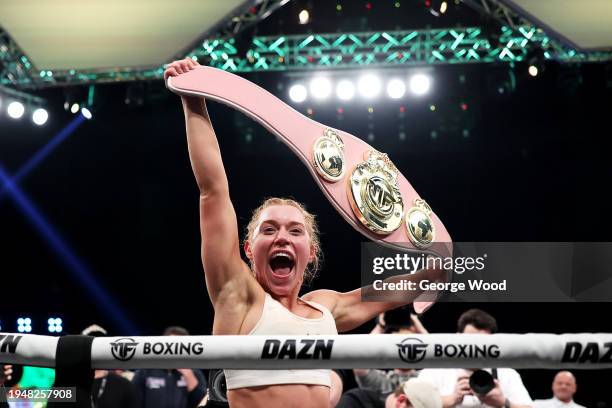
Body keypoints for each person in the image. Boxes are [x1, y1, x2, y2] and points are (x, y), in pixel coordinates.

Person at [163, 58, 444, 408]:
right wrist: (194, 100)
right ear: (249, 248)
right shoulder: (238, 296)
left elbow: (391, 292)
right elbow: (212, 191)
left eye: (295, 230)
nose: (282, 236)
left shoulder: (326, 308)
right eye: (269, 229)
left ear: (311, 252)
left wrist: (438, 265)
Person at [418, 309, 532, 408]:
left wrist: (503, 402)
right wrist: (451, 399)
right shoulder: (434, 371)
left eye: (483, 343)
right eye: (471, 341)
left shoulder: (507, 374)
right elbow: (412, 404)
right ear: (458, 337)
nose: (476, 348)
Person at [338, 310, 427, 408]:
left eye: (410, 342)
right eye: (400, 343)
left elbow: (443, 365)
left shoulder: (426, 378)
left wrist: (419, 327)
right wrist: (380, 327)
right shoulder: (381, 382)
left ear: (421, 346)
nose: (405, 349)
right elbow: (359, 362)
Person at [132, 326, 207, 408]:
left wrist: (189, 377)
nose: (175, 349)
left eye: (180, 345)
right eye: (172, 344)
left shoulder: (195, 373)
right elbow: (133, 401)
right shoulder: (145, 371)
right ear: (162, 345)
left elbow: (202, 402)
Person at [82, 324, 141, 408]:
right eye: (90, 342)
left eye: (100, 342)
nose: (95, 347)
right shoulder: (70, 382)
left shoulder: (123, 385)